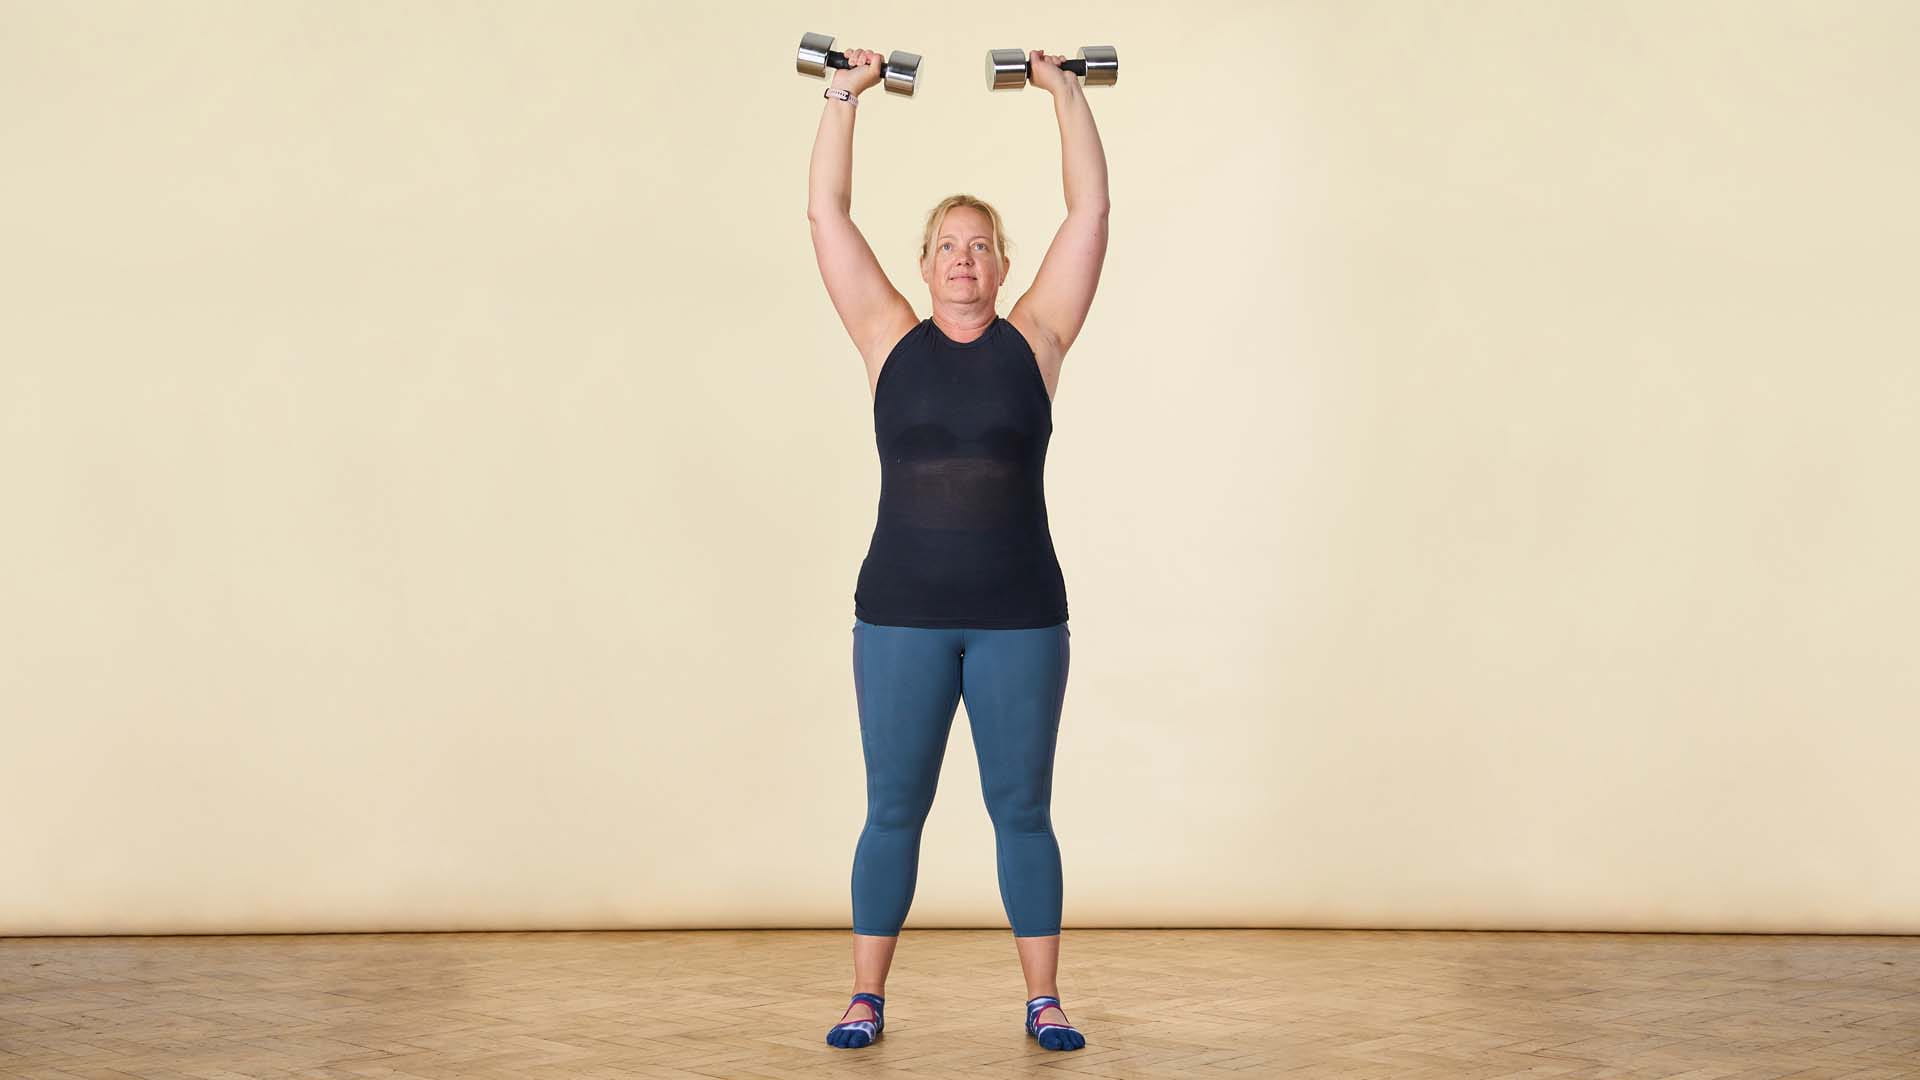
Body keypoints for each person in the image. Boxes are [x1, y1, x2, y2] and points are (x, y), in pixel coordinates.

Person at [805, 46, 1110, 1052]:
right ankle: (865, 996)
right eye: (946, 244)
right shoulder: (887, 336)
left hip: (1022, 615)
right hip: (900, 617)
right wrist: (844, 96)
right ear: (925, 262)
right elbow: (826, 218)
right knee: (893, 807)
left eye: (980, 245)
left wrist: (1064, 89)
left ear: (1004, 264)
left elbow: (1090, 215)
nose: (963, 259)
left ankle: (1043, 999)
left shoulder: (1041, 339)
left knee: (1023, 808)